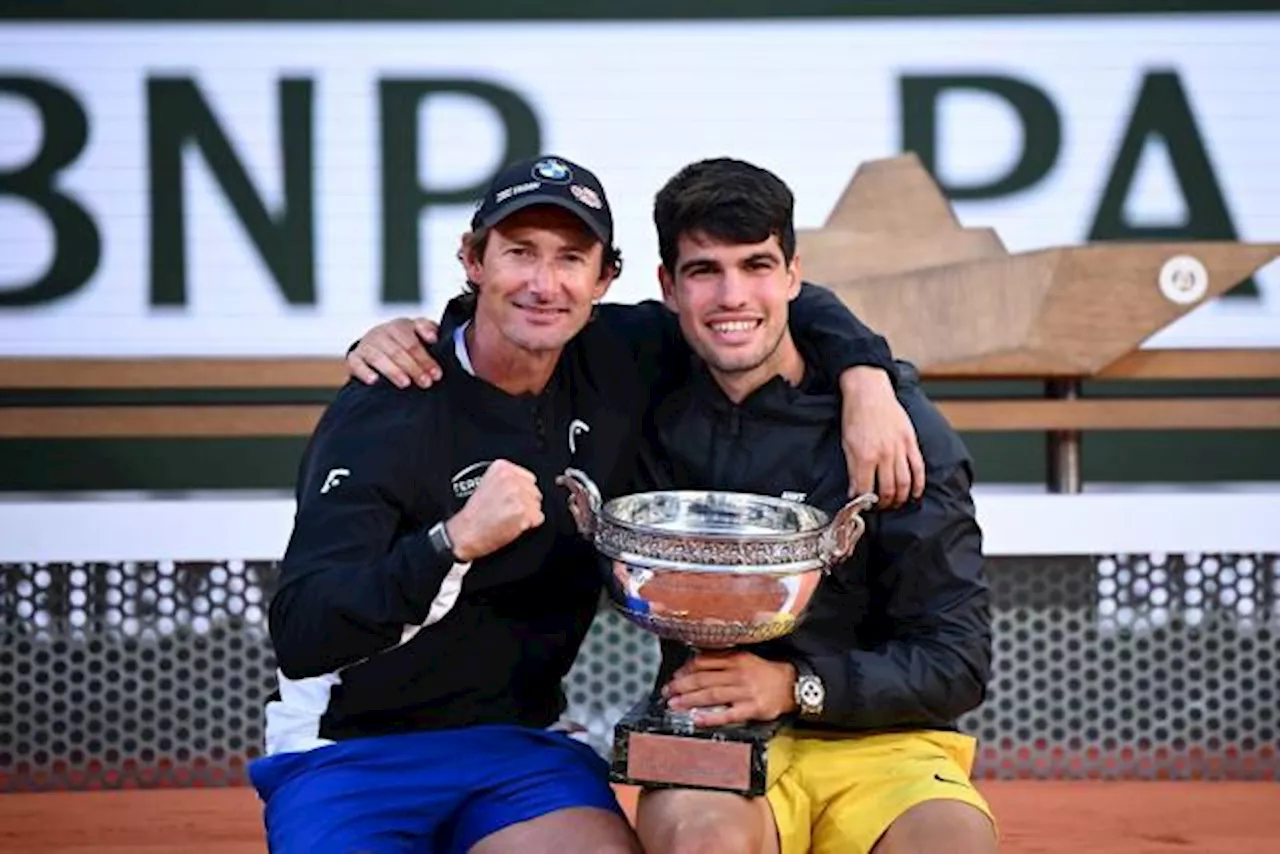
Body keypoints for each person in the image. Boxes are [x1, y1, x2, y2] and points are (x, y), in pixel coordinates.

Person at [255, 154, 920, 854]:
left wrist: (867, 375)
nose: (545, 284)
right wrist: (449, 543)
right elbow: (304, 634)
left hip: (519, 747)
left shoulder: (619, 353)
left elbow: (761, 299)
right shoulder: (388, 402)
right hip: (349, 753)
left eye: (572, 258)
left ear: (605, 278)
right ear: (472, 260)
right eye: (519, 254)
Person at [634, 158, 997, 854]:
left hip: (881, 741)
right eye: (705, 270)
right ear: (668, 288)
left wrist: (792, 685)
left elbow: (958, 659)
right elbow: (521, 323)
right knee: (703, 844)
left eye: (757, 265)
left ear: (794, 277)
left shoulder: (899, 435)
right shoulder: (638, 387)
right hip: (715, 735)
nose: (732, 295)